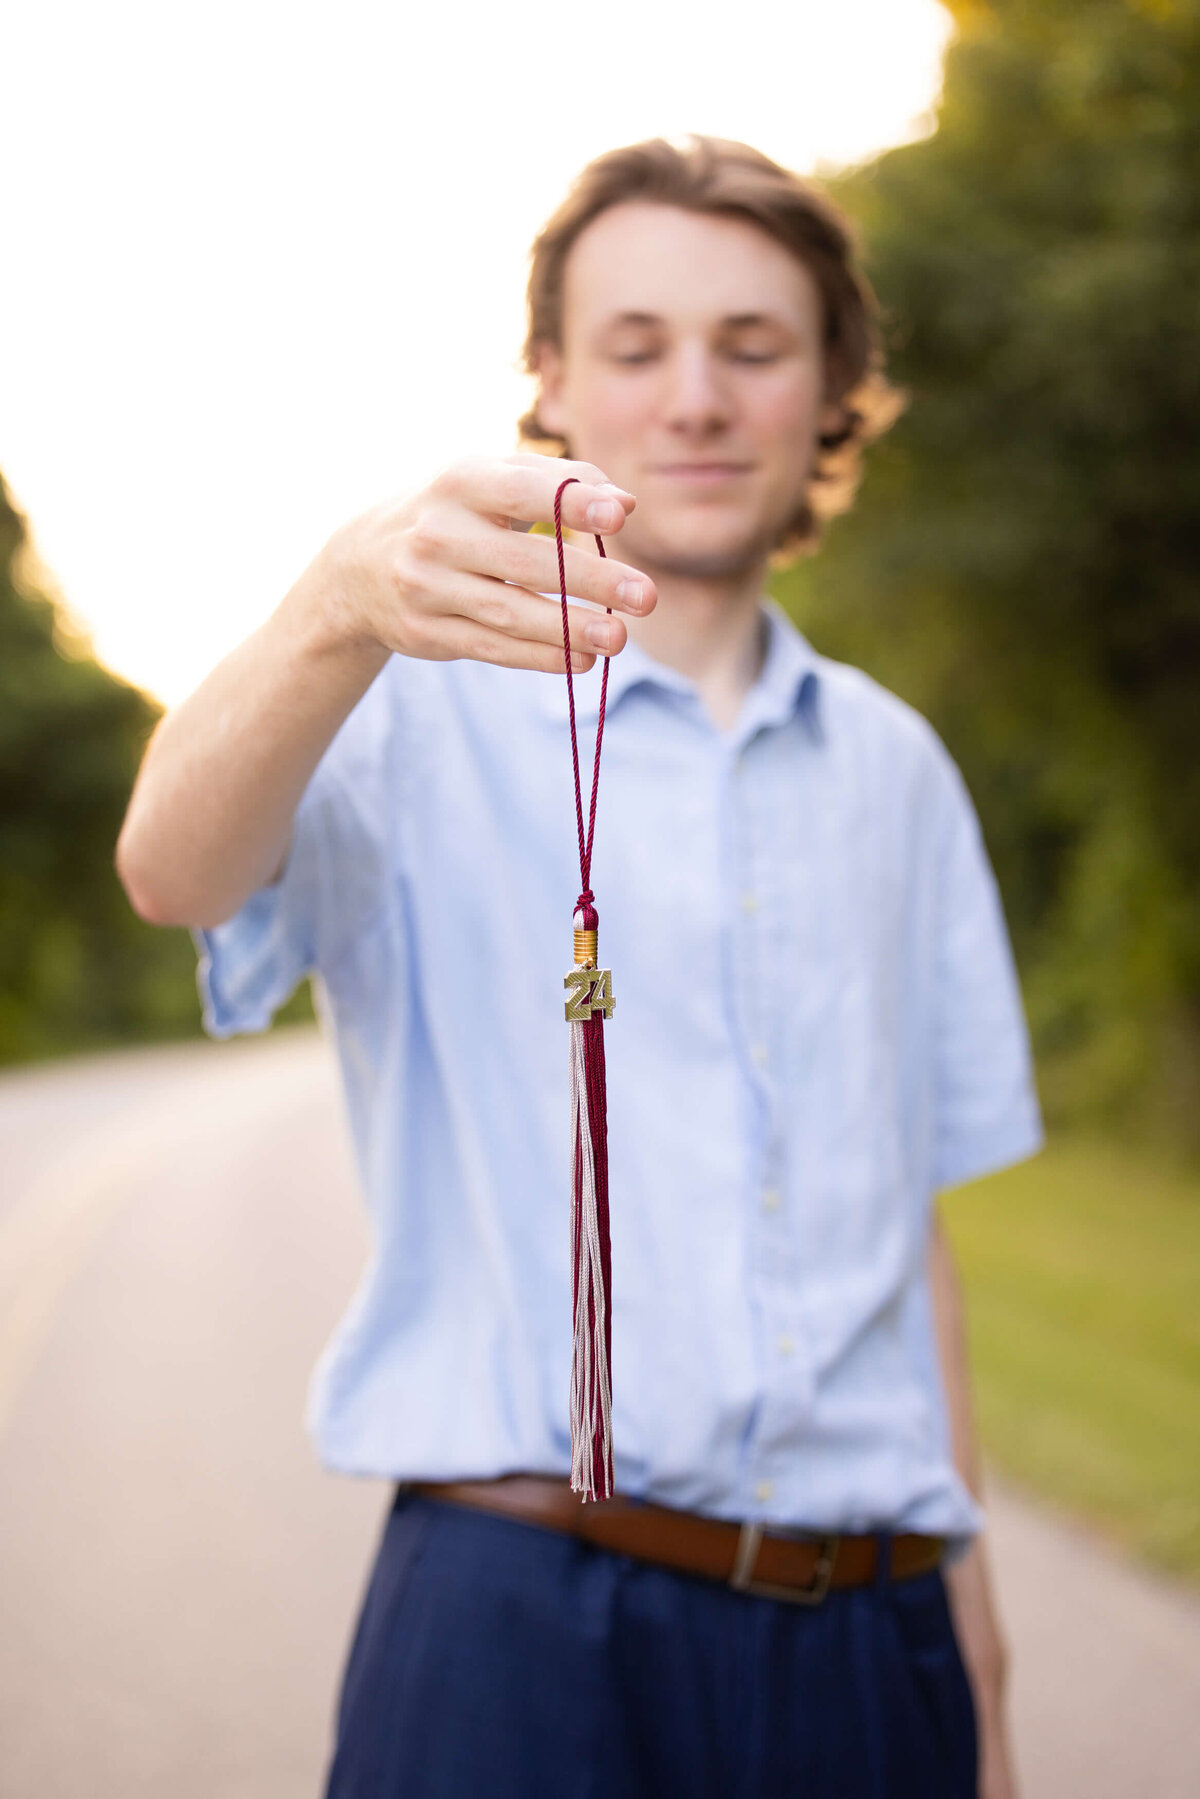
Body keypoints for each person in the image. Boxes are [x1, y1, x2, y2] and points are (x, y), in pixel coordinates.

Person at [117, 136, 1042, 1799]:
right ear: (550, 380)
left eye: (753, 347)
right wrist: (334, 604)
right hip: (514, 1625)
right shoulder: (406, 703)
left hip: (868, 1640)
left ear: (832, 383)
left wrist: (973, 1635)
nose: (695, 397)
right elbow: (170, 868)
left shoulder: (900, 770)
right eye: (636, 345)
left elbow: (908, 1232)